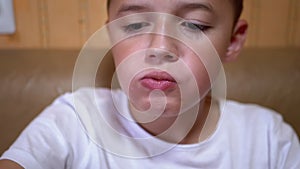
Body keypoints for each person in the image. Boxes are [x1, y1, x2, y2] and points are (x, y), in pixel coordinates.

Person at [1, 0, 300, 168]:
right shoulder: (75, 120)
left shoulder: (269, 140)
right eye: (135, 25)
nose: (160, 47)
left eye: (194, 25)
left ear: (233, 42)